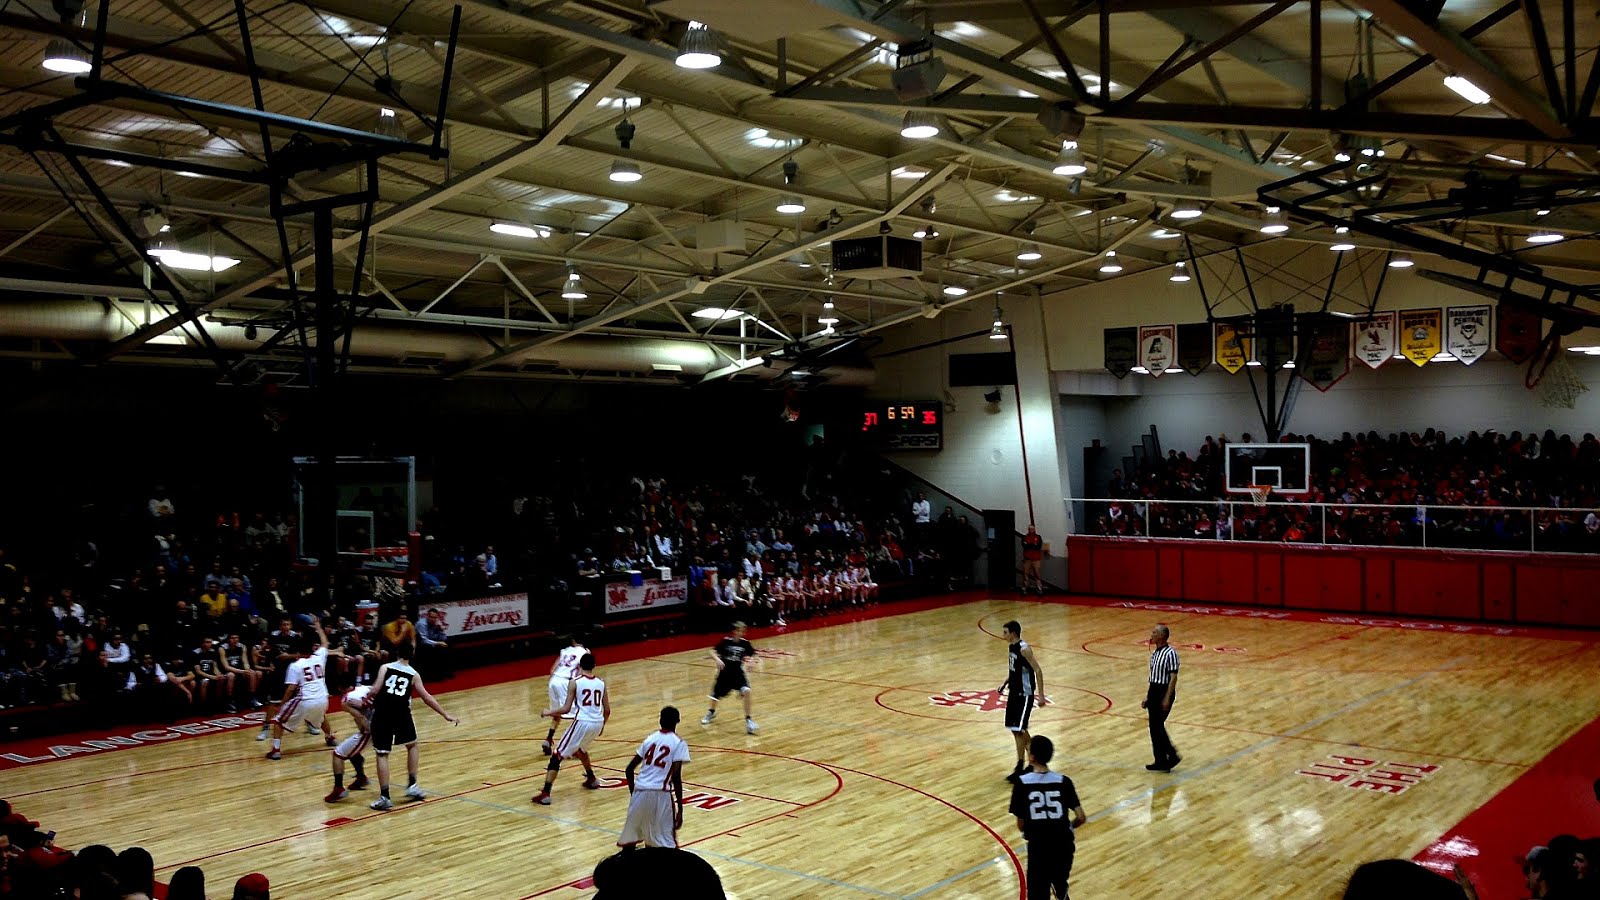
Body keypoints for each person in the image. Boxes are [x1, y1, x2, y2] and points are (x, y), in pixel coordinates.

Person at [368, 641, 460, 811]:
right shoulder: (414, 674)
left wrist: (365, 700)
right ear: (412, 655)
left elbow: (374, 690)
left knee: (382, 754)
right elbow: (427, 697)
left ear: (397, 653)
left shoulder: (385, 668)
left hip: (383, 713)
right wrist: (445, 714)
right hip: (402, 713)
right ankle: (412, 784)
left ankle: (385, 797)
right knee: (412, 745)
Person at [1009, 735, 1086, 900]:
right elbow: (1080, 817)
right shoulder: (1064, 781)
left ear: (1031, 757)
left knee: (1038, 892)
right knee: (1060, 885)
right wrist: (1067, 827)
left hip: (1039, 846)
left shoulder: (1022, 784)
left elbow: (1021, 824)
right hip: (1063, 844)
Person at [533, 652, 609, 805]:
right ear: (595, 666)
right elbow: (607, 710)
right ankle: (591, 779)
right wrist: (602, 726)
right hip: (598, 721)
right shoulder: (601, 683)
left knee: (557, 755)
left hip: (583, 721)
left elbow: (566, 709)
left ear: (580, 666)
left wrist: (548, 712)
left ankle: (546, 793)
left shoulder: (575, 682)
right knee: (580, 749)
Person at [265, 617, 339, 761]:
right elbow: (325, 642)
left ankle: (276, 750)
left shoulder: (295, 665)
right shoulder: (319, 657)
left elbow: (291, 689)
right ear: (312, 647)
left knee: (279, 720)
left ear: (297, 651)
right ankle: (331, 738)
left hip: (306, 699)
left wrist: (282, 705)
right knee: (321, 716)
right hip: (323, 698)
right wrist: (318, 627)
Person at [619, 706, 691, 848]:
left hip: (640, 792)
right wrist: (680, 810)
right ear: (678, 721)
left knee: (630, 842)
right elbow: (676, 777)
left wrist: (634, 793)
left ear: (660, 720)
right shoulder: (678, 743)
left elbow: (629, 770)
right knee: (664, 844)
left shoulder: (649, 739)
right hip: (660, 794)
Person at [1000, 620, 1048, 783]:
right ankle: (1031, 761)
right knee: (1015, 729)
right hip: (1014, 691)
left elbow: (1038, 670)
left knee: (1020, 730)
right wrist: (1006, 681)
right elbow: (1016, 669)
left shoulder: (1024, 649)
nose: (1003, 635)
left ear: (1013, 633)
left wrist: (1041, 695)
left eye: (1005, 632)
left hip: (1024, 693)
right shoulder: (1012, 647)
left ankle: (1022, 765)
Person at [701, 621, 758, 734]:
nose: (739, 633)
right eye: (737, 630)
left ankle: (749, 720)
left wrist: (752, 661)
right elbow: (711, 651)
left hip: (738, 674)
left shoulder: (745, 644)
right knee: (715, 696)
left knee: (747, 691)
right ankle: (711, 712)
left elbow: (754, 654)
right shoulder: (726, 642)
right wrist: (717, 659)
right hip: (724, 674)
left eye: (741, 631)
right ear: (734, 631)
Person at [1142, 623, 1181, 772]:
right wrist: (1148, 696)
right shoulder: (1155, 653)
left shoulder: (1170, 653)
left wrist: (1167, 697)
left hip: (1163, 691)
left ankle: (1172, 755)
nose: (1151, 635)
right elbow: (1153, 677)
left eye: (1154, 633)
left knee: (1157, 725)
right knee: (1154, 727)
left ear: (1162, 636)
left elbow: (1173, 677)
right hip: (1154, 690)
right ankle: (1160, 760)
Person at [325, 682, 373, 803]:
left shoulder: (346, 700)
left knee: (338, 754)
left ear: (340, 688)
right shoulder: (366, 688)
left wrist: (368, 732)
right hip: (385, 724)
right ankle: (361, 777)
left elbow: (361, 718)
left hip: (372, 729)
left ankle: (338, 789)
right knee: (351, 749)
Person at [544, 635, 590, 756]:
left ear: (573, 641)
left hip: (554, 680)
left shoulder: (565, 650)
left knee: (557, 712)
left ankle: (548, 739)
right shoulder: (585, 653)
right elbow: (581, 672)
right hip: (566, 681)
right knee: (577, 715)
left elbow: (552, 670)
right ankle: (574, 746)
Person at [1021, 524, 1045, 595]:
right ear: (1028, 530)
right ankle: (1024, 588)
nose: (1031, 530)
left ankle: (1039, 588)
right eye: (1030, 529)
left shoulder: (1038, 537)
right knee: (1025, 574)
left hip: (1036, 559)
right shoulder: (1024, 537)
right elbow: (1024, 546)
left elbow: (1038, 547)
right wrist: (1033, 545)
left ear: (1034, 529)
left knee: (1037, 574)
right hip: (1027, 559)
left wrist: (1029, 545)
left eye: (1032, 529)